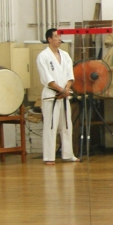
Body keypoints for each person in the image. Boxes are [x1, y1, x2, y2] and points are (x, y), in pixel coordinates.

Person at [36, 28, 77, 165]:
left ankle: (68, 154)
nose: (59, 39)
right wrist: (60, 90)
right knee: (51, 125)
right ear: (49, 39)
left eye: (60, 37)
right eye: (56, 37)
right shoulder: (43, 56)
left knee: (66, 125)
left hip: (64, 94)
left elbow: (70, 75)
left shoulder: (65, 55)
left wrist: (66, 89)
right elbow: (47, 78)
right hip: (51, 94)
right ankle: (49, 157)